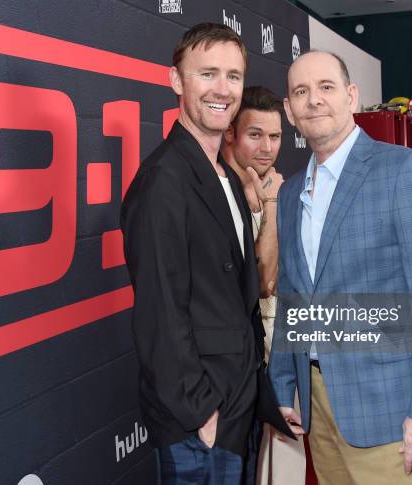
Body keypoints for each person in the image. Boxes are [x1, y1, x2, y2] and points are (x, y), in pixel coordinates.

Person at [268, 50, 412, 485]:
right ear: (289, 110)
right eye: (300, 92)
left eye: (326, 87)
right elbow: (293, 298)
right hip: (317, 408)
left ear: (351, 95)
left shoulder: (407, 172)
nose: (314, 100)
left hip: (391, 411)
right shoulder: (289, 195)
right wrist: (283, 386)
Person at [121, 23, 290, 485]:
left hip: (235, 407)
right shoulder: (163, 181)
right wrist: (203, 414)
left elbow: (239, 296)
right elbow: (159, 312)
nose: (222, 89)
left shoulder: (226, 179)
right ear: (177, 81)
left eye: (233, 76)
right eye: (208, 73)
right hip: (197, 423)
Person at [221, 86, 306, 485]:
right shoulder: (223, 191)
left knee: (281, 470)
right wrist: (271, 205)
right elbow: (265, 282)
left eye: (274, 136)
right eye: (255, 134)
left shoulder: (275, 185)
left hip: (277, 358)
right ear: (231, 134)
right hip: (237, 369)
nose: (267, 147)